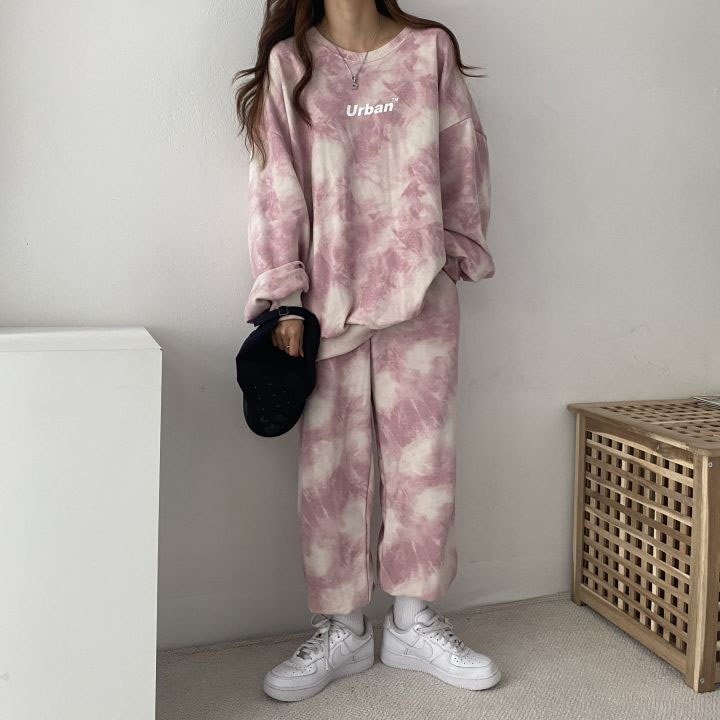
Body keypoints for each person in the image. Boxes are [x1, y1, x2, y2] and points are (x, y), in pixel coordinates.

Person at [234, 0, 500, 702]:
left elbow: (463, 158)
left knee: (425, 463)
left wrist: (452, 253)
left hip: (421, 295)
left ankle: (412, 621)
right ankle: (342, 629)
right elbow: (274, 187)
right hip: (326, 307)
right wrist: (285, 295)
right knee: (330, 471)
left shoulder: (428, 51)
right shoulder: (291, 63)